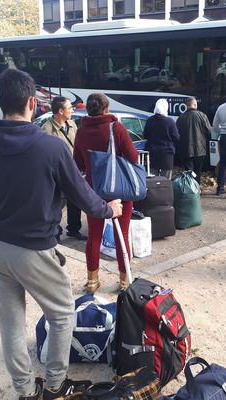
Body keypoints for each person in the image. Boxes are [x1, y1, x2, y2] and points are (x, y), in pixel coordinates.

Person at [0, 69, 123, 400]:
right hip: (36, 250)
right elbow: (83, 196)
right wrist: (109, 210)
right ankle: (56, 386)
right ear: (33, 102)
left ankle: (25, 391)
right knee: (61, 316)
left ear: (1, 103)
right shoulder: (51, 148)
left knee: (11, 325)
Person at [73, 93, 138, 292]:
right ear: (106, 109)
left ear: (89, 110)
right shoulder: (116, 128)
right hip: (119, 189)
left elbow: (77, 163)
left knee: (94, 235)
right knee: (122, 235)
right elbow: (133, 158)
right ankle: (125, 281)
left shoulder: (82, 131)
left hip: (93, 190)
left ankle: (92, 281)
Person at [42, 96, 87, 241]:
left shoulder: (72, 124)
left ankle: (74, 229)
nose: (72, 110)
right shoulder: (47, 129)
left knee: (75, 201)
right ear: (60, 111)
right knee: (57, 204)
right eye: (69, 108)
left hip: (73, 171)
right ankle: (56, 232)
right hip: (57, 174)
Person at [176, 97, 212, 183]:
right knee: (198, 170)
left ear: (186, 106)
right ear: (195, 105)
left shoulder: (181, 118)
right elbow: (209, 132)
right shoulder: (202, 116)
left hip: (186, 149)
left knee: (189, 171)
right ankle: (196, 187)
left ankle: (190, 187)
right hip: (200, 149)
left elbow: (177, 134)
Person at [143, 98, 180, 179]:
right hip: (167, 155)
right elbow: (176, 137)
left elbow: (145, 135)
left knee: (152, 179)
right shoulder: (170, 121)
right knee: (166, 180)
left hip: (152, 154)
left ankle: (153, 192)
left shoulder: (150, 120)